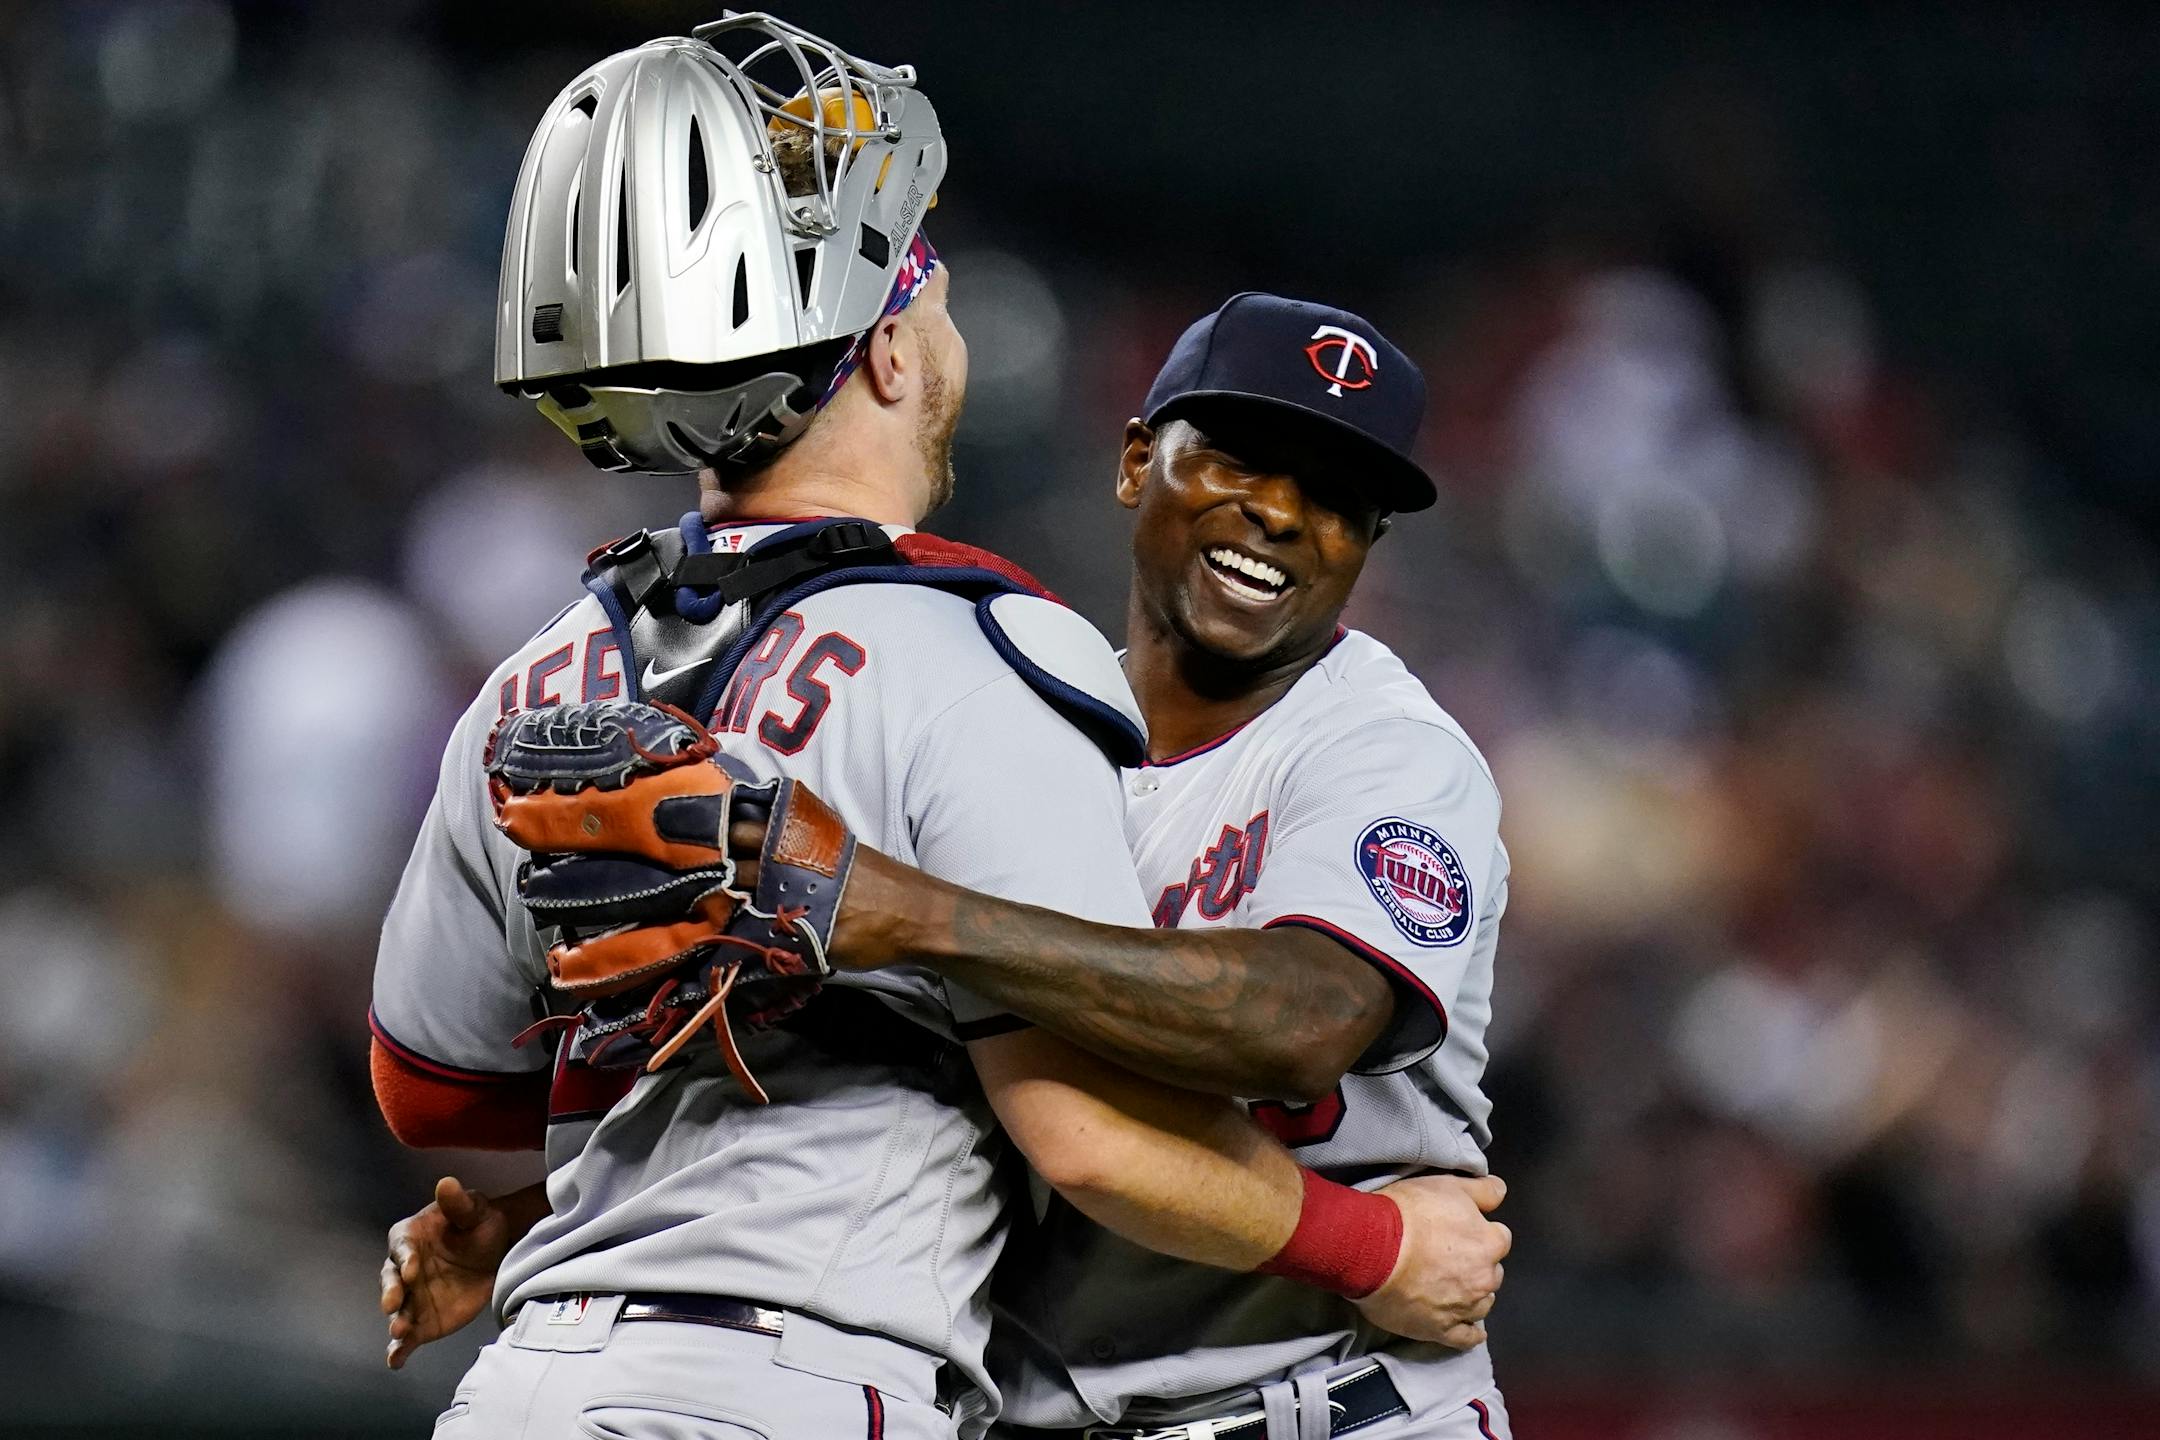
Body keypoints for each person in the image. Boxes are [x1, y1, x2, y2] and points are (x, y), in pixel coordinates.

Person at [371, 19, 1504, 1440]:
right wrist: (1381, 1246)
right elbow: (1073, 1130)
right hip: (806, 1381)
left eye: (1341, 495)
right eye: (1241, 458)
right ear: (898, 352)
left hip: (1292, 1398)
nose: (1282, 511)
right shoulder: (984, 661)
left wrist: (900, 924)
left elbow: (431, 1089)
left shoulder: (546, 670)